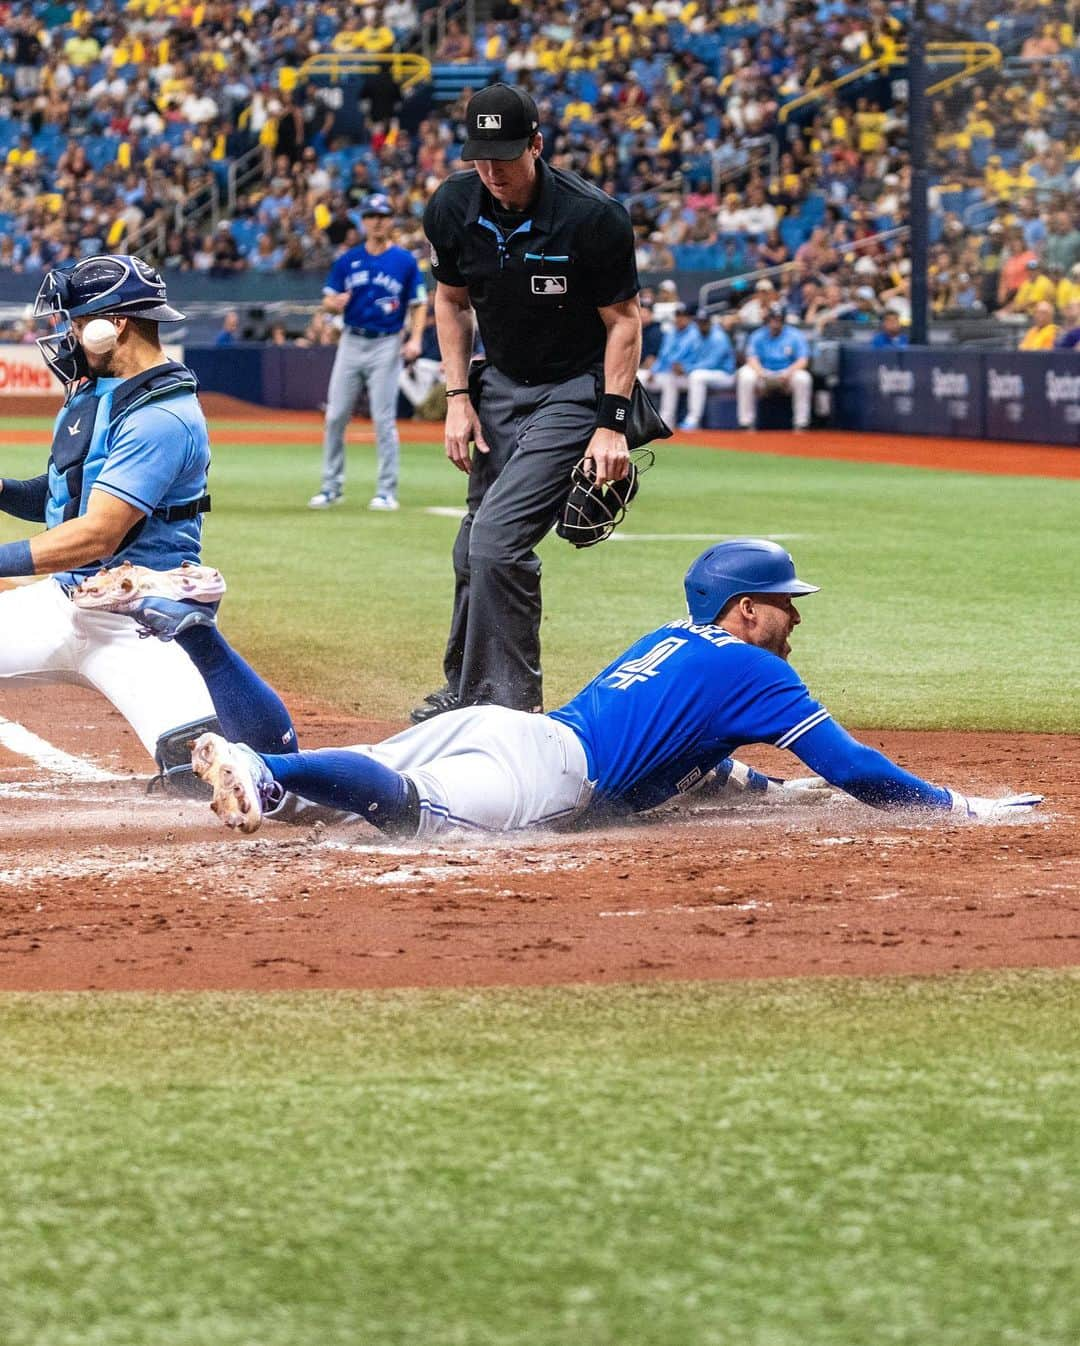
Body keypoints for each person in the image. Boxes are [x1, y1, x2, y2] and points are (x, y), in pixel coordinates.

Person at [70, 542, 1042, 837]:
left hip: (507, 728)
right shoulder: (757, 667)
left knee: (353, 782)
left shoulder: (674, 642)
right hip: (541, 770)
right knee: (415, 817)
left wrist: (755, 786)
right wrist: (959, 805)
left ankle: (203, 642)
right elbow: (855, 765)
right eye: (782, 603)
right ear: (747, 610)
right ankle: (265, 769)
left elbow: (686, 758)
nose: (795, 617)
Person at [418, 83, 641, 720]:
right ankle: (464, 695)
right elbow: (451, 301)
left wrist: (611, 426)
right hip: (499, 388)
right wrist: (458, 397)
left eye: (506, 158)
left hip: (573, 389)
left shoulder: (592, 217)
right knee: (471, 548)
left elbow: (624, 322)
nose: (491, 172)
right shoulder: (453, 207)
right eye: (480, 158)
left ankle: (510, 711)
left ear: (537, 146)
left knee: (496, 543)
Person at [0, 254, 223, 793]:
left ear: (113, 323)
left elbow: (98, 534)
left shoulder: (161, 417)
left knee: (198, 776)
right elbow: (66, 503)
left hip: (137, 620)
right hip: (67, 601)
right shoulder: (99, 395)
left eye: (76, 322)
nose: (69, 335)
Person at [309, 195, 426, 514]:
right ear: (363, 221)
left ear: (391, 220)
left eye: (383, 215)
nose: (377, 221)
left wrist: (415, 339)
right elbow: (328, 298)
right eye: (372, 215)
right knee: (335, 416)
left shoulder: (404, 261)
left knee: (384, 419)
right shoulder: (348, 260)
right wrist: (334, 303)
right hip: (352, 338)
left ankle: (386, 491)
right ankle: (331, 486)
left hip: (387, 342)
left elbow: (419, 303)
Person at [736, 304, 813, 431]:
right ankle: (745, 422)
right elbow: (751, 358)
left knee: (803, 378)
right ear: (768, 319)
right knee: (745, 375)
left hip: (786, 374)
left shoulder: (795, 335)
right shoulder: (758, 335)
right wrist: (761, 374)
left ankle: (801, 423)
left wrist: (788, 373)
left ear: (783, 319)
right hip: (763, 373)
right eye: (772, 318)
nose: (775, 322)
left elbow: (803, 360)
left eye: (778, 318)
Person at [677, 310, 737, 432]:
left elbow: (712, 363)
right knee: (672, 378)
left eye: (704, 322)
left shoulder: (719, 337)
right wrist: (681, 365)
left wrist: (686, 368)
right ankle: (667, 420)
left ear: (710, 323)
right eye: (699, 322)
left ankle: (693, 419)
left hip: (725, 375)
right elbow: (690, 356)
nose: (702, 325)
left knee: (697, 376)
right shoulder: (697, 336)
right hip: (708, 374)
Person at [647, 303, 701, 428]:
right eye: (678, 316)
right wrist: (653, 370)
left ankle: (666, 421)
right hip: (667, 372)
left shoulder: (695, 334)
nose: (680, 319)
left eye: (683, 316)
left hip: (687, 375)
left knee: (670, 380)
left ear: (689, 318)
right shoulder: (671, 333)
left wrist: (685, 367)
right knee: (639, 378)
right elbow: (662, 355)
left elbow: (699, 358)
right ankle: (636, 419)